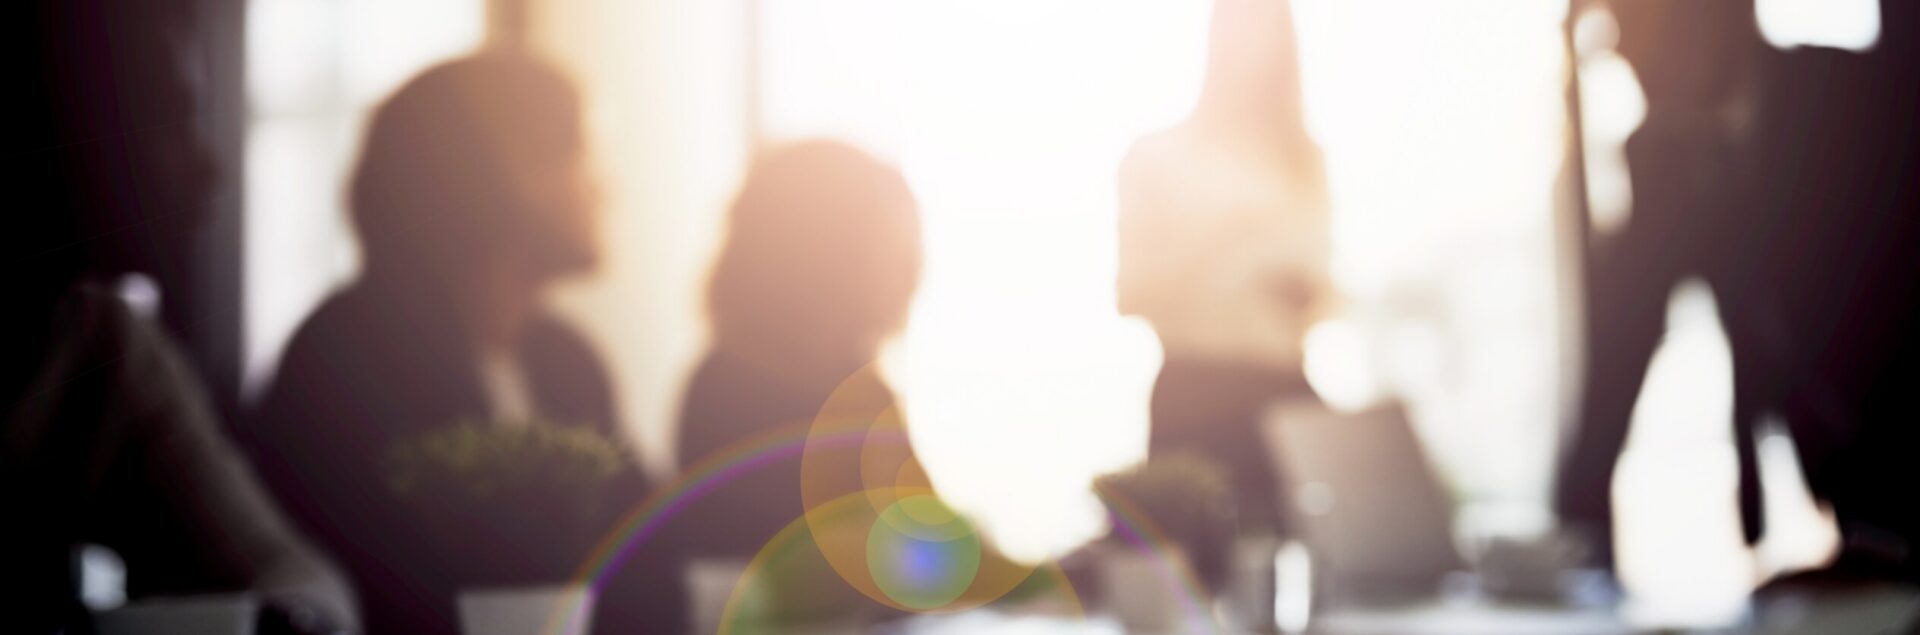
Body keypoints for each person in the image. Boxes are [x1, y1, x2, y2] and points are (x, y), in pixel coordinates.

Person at [242, 53, 682, 632]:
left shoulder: (567, 360)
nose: (605, 184)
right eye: (580, 152)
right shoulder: (343, 360)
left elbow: (649, 559)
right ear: (508, 169)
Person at [1, 1, 348, 632]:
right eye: (169, 121)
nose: (209, 170)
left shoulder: (108, 347)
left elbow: (288, 573)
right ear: (52, 116)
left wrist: (279, 620)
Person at [1114, 0, 1331, 536]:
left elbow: (1326, 297)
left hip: (1287, 395)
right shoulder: (1156, 156)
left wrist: (1308, 293)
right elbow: (1129, 294)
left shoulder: (1304, 158)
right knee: (1196, 569)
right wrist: (1230, 249)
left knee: (1303, 571)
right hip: (1195, 397)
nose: (1252, 41)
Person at [675, 141, 926, 559]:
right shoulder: (732, 397)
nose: (912, 266)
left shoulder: (858, 391)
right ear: (830, 252)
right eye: (893, 241)